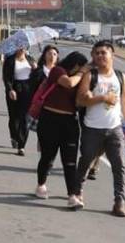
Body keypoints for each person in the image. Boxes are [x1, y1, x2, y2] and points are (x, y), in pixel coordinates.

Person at [76, 40, 125, 217]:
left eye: (104, 52)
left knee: (119, 166)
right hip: (92, 128)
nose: (100, 55)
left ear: (112, 55)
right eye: (97, 53)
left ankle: (119, 201)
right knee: (85, 161)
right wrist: (101, 98)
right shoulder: (90, 76)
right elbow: (80, 100)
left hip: (114, 128)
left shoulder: (120, 77)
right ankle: (77, 193)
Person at [34, 51, 88, 206]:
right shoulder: (58, 71)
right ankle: (41, 184)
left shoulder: (81, 78)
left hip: (70, 122)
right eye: (80, 68)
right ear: (76, 65)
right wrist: (83, 72)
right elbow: (68, 83)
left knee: (70, 161)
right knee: (47, 157)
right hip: (50, 119)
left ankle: (72, 195)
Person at [3, 46, 37, 156]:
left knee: (25, 118)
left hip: (28, 90)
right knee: (14, 117)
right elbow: (6, 77)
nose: (22, 49)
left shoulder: (30, 59)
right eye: (20, 47)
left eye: (24, 47)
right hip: (15, 88)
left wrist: (35, 68)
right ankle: (14, 136)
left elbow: (37, 75)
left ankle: (22, 146)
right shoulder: (10, 60)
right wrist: (10, 89)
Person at [30, 45, 60, 153]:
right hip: (41, 107)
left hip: (56, 107)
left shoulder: (61, 73)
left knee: (53, 136)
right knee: (42, 135)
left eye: (54, 54)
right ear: (44, 55)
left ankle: (48, 157)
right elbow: (32, 89)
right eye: (49, 53)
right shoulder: (38, 71)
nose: (52, 56)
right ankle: (43, 158)